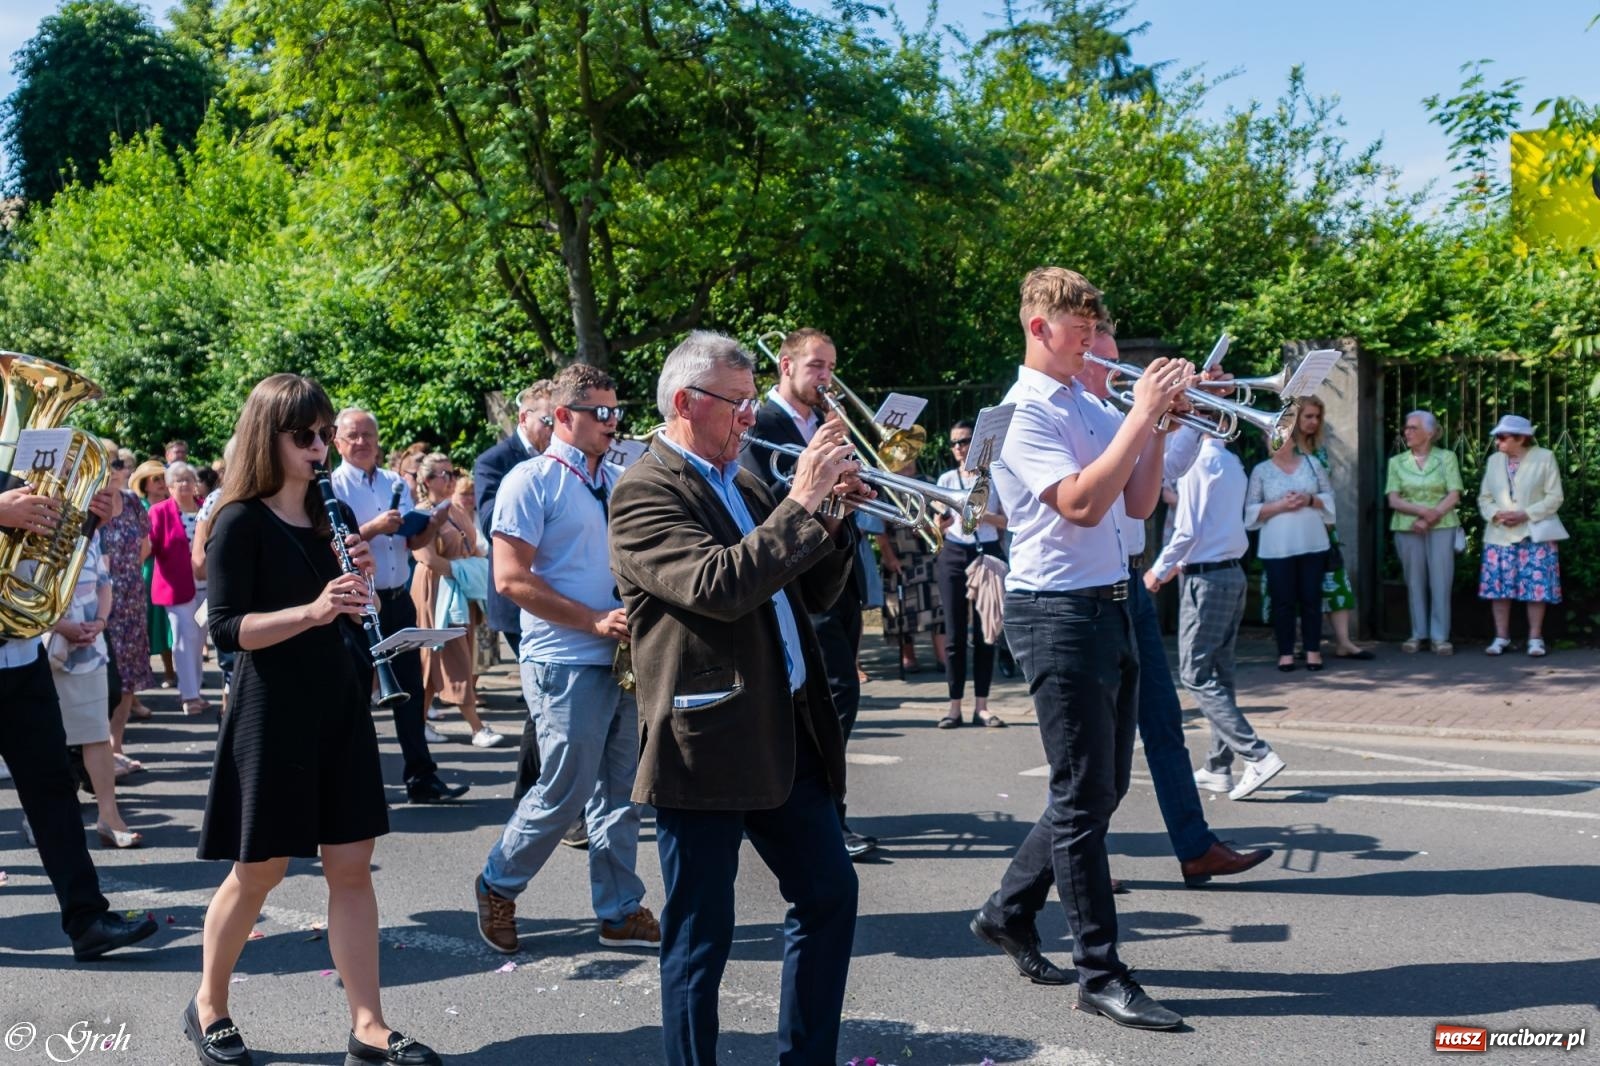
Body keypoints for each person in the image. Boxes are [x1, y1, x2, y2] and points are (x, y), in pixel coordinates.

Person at [610, 330, 863, 1066]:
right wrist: (803, 500)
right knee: (700, 936)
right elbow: (717, 587)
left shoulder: (746, 482)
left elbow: (812, 591)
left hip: (784, 730)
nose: (752, 417)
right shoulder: (644, 491)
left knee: (829, 895)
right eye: (738, 403)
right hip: (706, 741)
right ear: (686, 402)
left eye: (753, 402)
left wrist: (833, 514)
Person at [189, 373, 443, 1066]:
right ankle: (209, 1003)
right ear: (266, 437)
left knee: (352, 866)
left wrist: (361, 598)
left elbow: (347, 614)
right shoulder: (239, 520)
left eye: (325, 433)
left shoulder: (332, 515)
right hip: (272, 705)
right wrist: (315, 608)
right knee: (260, 869)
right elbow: (228, 628)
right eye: (305, 435)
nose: (320, 447)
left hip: (339, 697)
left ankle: (369, 1025)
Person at [970, 267, 1190, 1031]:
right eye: (1082, 329)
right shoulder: (1021, 412)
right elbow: (1081, 504)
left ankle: (1007, 911)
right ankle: (1100, 971)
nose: (1095, 342)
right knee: (1081, 795)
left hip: (1110, 603)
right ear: (1040, 328)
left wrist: (1156, 428)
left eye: (1099, 328)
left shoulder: (1088, 404)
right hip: (1055, 613)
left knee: (1100, 789)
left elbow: (1137, 502)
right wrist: (1143, 413)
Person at [474, 363, 659, 955]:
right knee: (565, 789)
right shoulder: (530, 480)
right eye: (600, 412)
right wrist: (593, 620)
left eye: (615, 411)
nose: (613, 422)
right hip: (564, 658)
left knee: (622, 793)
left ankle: (619, 910)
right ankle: (498, 883)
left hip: (621, 655)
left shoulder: (620, 476)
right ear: (562, 416)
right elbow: (509, 579)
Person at [1077, 328, 1274, 879]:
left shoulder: (1113, 413)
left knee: (1164, 724)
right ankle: (1075, 862)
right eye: (1103, 359)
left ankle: (1194, 846)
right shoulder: (1075, 416)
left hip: (1127, 580)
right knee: (1093, 744)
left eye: (1117, 358)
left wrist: (1189, 411)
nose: (1118, 370)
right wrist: (1155, 415)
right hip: (1084, 590)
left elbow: (1166, 473)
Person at [0, 476, 158, 961]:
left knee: (53, 790)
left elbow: (49, 556)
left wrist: (85, 519)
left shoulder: (15, 462)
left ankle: (87, 920)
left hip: (21, 655)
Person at [740, 326, 876, 860]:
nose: (827, 378)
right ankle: (824, 818)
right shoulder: (760, 423)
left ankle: (815, 812)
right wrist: (815, 477)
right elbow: (760, 499)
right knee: (831, 695)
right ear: (786, 366)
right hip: (796, 574)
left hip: (837, 569)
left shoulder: (824, 423)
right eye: (817, 366)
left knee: (840, 695)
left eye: (831, 367)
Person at [331, 409, 468, 805]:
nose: (362, 442)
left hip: (396, 598)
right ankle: (353, 783)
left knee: (409, 689)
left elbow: (409, 541)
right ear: (338, 442)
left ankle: (421, 777)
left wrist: (430, 523)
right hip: (357, 605)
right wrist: (376, 526)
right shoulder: (334, 485)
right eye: (353, 436)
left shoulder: (393, 481)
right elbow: (331, 542)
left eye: (368, 435)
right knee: (357, 694)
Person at [1148, 434, 1285, 801]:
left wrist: (1157, 570)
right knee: (1220, 674)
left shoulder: (1199, 464)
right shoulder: (1232, 462)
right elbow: (1212, 524)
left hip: (1206, 578)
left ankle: (1257, 754)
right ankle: (1217, 766)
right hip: (1230, 573)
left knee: (1195, 674)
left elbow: (1187, 530)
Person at [473, 379, 555, 800]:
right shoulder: (495, 461)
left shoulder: (566, 457)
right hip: (518, 599)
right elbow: (492, 523)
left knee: (551, 702)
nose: (555, 428)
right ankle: (532, 796)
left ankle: (545, 796)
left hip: (559, 593)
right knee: (541, 702)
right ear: (524, 417)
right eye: (548, 420)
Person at [49, 534, 143, 844]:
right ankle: (39, 819)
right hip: (43, 649)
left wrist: (100, 621)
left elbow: (103, 582)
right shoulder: (31, 521)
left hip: (89, 648)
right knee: (44, 741)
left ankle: (109, 818)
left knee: (97, 735)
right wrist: (63, 627)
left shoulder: (89, 531)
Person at [410, 451, 500, 747]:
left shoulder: (456, 510)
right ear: (427, 481)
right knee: (449, 655)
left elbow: (473, 546)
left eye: (453, 473)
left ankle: (418, 724)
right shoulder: (421, 514)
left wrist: (473, 569)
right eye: (444, 474)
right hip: (435, 590)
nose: (451, 479)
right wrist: (464, 570)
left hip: (459, 590)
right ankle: (477, 728)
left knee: (435, 659)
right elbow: (426, 557)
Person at [932, 420, 1007, 727]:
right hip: (953, 554)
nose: (959, 448)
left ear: (975, 443)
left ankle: (982, 706)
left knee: (986, 631)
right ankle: (954, 707)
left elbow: (1008, 521)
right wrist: (939, 524)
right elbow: (936, 521)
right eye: (954, 443)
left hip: (986, 552)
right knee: (954, 634)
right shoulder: (946, 479)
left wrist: (980, 515)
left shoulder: (995, 478)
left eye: (964, 441)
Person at [1246, 414, 1335, 672]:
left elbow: (1329, 498)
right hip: (1277, 547)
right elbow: (1250, 512)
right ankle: (1285, 652)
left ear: (1293, 440)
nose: (1277, 442)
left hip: (1312, 543)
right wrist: (1280, 506)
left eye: (1282, 437)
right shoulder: (1261, 471)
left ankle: (1313, 651)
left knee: (1311, 598)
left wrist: (1309, 500)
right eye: (1271, 437)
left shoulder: (1312, 464)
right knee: (1282, 601)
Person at [1477, 414, 1566, 657]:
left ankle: (1535, 639)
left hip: (1534, 532)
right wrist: (1496, 514)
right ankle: (1500, 637)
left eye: (1502, 437)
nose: (1498, 442)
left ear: (1521, 438)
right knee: (1499, 589)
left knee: (1536, 589)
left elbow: (1555, 497)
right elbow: (1484, 497)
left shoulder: (1545, 457)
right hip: (1500, 534)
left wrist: (1526, 514)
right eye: (1497, 437)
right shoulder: (1494, 460)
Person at [1294, 398, 1374, 659]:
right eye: (1308, 416)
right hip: (1294, 527)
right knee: (1296, 586)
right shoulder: (1284, 450)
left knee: (1336, 582)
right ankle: (1298, 643)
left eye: (1317, 417)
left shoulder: (1319, 450)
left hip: (1324, 525)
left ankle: (1344, 642)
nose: (1314, 422)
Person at [1386, 409, 1463, 655]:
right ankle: (1417, 634)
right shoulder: (1397, 462)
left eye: (1413, 428)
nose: (1407, 432)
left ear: (1429, 433)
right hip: (1407, 527)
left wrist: (1431, 517)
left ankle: (1440, 637)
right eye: (1406, 427)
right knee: (1414, 581)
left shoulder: (1446, 458)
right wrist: (1423, 513)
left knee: (1441, 581)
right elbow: (1393, 499)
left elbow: (1454, 494)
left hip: (1442, 525)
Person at [96, 445, 153, 763]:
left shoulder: (132, 502)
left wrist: (126, 578)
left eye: (118, 463)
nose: (116, 469)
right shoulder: (87, 504)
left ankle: (115, 747)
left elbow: (145, 546)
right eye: (109, 464)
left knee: (128, 677)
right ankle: (96, 751)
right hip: (97, 604)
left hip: (131, 600)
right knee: (103, 679)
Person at [149, 461, 209, 714]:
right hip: (176, 588)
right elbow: (150, 546)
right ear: (169, 487)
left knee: (200, 637)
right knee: (184, 637)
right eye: (178, 480)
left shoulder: (206, 508)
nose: (184, 484)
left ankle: (194, 688)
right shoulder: (159, 512)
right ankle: (189, 695)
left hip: (206, 587)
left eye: (188, 479)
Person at [130, 458, 177, 691]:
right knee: (146, 620)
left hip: (169, 568)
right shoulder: (137, 506)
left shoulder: (173, 505)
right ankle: (144, 672)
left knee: (166, 623)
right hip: (146, 569)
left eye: (163, 478)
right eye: (155, 479)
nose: (161, 483)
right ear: (145, 484)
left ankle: (170, 671)